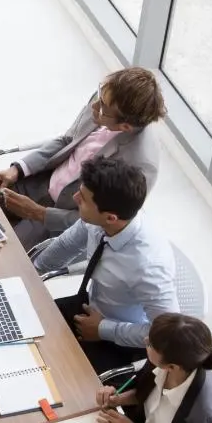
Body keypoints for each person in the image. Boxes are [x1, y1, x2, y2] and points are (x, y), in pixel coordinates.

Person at [0, 67, 166, 250]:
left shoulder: (139, 166)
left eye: (103, 108)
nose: (94, 107)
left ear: (126, 126)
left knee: (0, 254)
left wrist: (39, 213)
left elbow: (100, 221)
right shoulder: (104, 98)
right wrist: (18, 169)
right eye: (99, 97)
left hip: (61, 217)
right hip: (41, 181)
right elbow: (68, 139)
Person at [33, 157, 178, 374]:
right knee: (24, 329)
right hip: (90, 307)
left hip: (119, 341)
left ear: (111, 218)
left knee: (54, 375)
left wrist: (103, 329)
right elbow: (67, 244)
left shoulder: (148, 268)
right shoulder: (100, 220)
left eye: (82, 199)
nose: (74, 198)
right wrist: (32, 272)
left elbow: (165, 337)